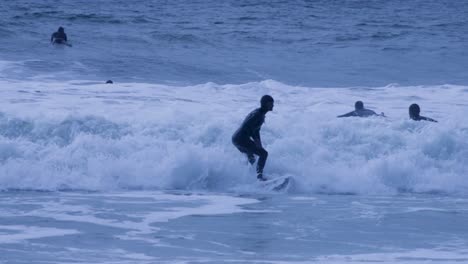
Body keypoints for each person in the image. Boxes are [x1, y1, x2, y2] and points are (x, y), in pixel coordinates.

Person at [232, 95, 274, 181]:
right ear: (266, 104)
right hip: (241, 138)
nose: (273, 106)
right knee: (264, 154)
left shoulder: (260, 113)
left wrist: (258, 143)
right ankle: (259, 177)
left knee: (252, 158)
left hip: (237, 138)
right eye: (271, 104)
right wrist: (256, 141)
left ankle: (248, 178)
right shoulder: (257, 114)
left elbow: (256, 130)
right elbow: (249, 127)